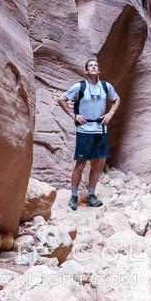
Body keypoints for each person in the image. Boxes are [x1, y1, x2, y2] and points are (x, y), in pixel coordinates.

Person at [58, 58, 120, 210]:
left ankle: (91, 195)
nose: (93, 67)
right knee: (80, 163)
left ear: (98, 70)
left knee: (96, 163)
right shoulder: (80, 86)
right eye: (90, 66)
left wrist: (110, 114)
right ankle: (73, 196)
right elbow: (62, 99)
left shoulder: (106, 87)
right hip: (84, 130)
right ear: (86, 71)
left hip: (100, 129)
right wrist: (74, 116)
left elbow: (117, 99)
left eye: (95, 66)